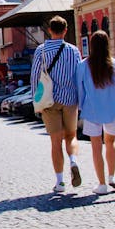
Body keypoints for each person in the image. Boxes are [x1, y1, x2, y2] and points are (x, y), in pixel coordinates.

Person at [76, 30, 115, 195]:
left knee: (96, 147)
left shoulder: (83, 66)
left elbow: (80, 91)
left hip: (91, 111)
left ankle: (102, 184)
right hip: (112, 110)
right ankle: (112, 176)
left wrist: (80, 107)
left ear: (91, 46)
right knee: (110, 142)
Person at [29, 15, 84, 193]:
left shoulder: (41, 51)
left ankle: (60, 182)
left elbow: (35, 76)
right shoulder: (74, 51)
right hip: (70, 99)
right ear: (66, 30)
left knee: (55, 142)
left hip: (49, 100)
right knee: (71, 136)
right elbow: (79, 76)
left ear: (50, 30)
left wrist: (35, 100)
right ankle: (74, 161)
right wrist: (80, 99)